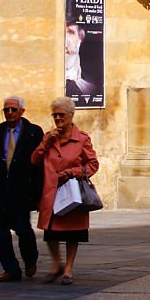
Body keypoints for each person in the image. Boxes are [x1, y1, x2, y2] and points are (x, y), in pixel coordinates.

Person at [30, 96, 99, 286]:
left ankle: (68, 269)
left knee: (73, 232)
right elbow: (34, 160)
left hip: (72, 191)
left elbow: (93, 164)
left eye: (61, 115)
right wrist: (44, 142)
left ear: (70, 115)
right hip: (51, 191)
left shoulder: (82, 139)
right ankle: (56, 264)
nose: (58, 118)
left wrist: (72, 172)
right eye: (55, 115)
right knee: (50, 231)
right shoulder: (49, 137)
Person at [0, 96, 44, 282]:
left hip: (21, 191)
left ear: (22, 111)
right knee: (0, 233)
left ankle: (30, 259)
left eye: (13, 109)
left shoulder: (33, 132)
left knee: (23, 229)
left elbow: (39, 165)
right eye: (6, 110)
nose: (10, 113)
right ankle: (11, 269)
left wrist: (38, 192)